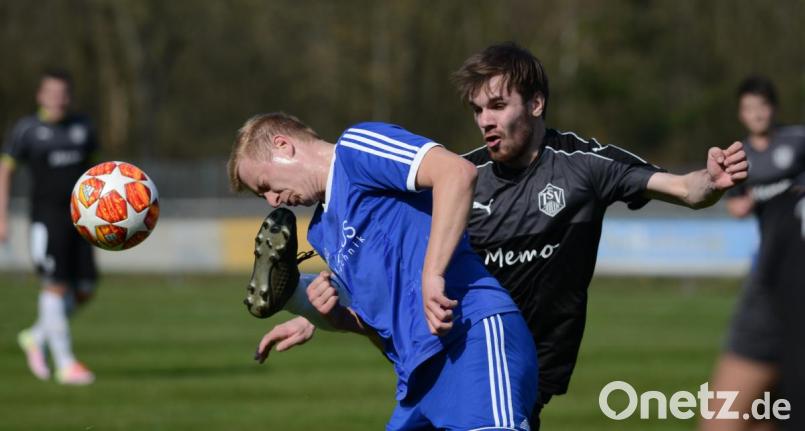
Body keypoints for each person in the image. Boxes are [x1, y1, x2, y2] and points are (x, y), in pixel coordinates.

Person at [260, 42, 749, 429]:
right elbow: (394, 255)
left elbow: (686, 189)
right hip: (469, 344)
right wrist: (321, 311)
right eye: (477, 110)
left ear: (536, 104)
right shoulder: (462, 177)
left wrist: (712, 180)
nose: (485, 121)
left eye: (497, 105)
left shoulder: (585, 165)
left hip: (526, 353)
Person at [229, 113, 539, 430]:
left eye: (265, 186)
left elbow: (456, 172)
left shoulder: (354, 150)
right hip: (418, 376)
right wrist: (330, 316)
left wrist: (433, 274)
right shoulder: (321, 231)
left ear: (283, 145)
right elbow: (383, 326)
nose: (272, 200)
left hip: (470, 341)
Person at [700, 76, 805, 431]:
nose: (757, 115)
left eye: (762, 106)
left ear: (773, 108)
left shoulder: (798, 141)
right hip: (776, 268)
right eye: (749, 108)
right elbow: (737, 206)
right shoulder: (740, 155)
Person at [0, 69, 98, 385]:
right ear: (40, 96)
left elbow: (97, 173)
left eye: (63, 93)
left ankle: (36, 335)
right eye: (52, 93)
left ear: (69, 96)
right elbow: (6, 171)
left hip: (81, 220)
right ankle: (66, 364)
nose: (58, 99)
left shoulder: (84, 128)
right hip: (46, 218)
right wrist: (1, 217)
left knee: (84, 288)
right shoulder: (27, 130)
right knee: (55, 285)